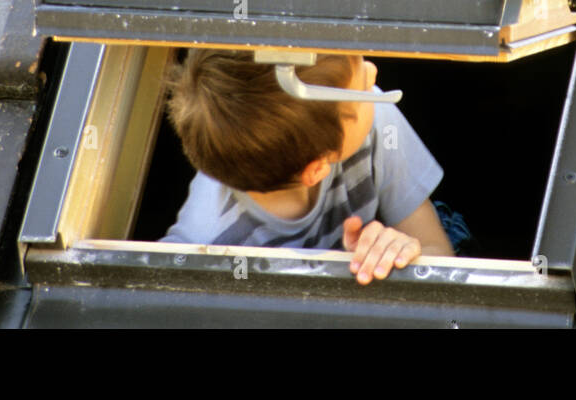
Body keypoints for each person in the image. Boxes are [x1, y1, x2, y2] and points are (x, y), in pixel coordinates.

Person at [159, 48, 454, 284]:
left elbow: (440, 254)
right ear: (316, 169)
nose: (371, 72)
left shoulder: (375, 115)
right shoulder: (209, 243)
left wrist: (400, 254)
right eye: (361, 88)